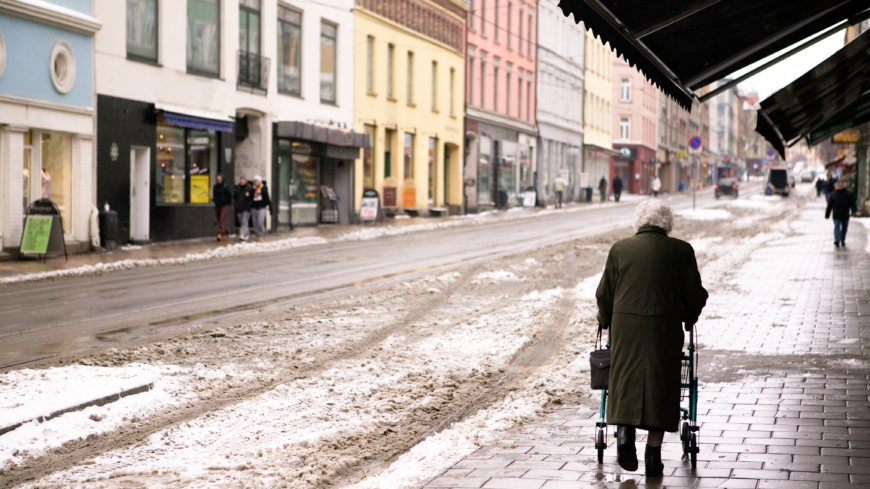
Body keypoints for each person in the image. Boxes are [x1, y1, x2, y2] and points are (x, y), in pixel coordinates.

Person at [595, 199, 708, 477]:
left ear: (639, 222)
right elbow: (695, 295)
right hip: (664, 327)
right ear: (666, 223)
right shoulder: (681, 251)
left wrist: (604, 318)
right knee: (661, 382)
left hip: (626, 327)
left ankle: (624, 437)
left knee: (624, 377)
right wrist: (689, 316)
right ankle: (654, 456)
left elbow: (604, 294)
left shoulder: (620, 249)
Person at [825, 181, 857, 248]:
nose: (839, 186)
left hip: (845, 214)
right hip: (836, 214)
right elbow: (829, 205)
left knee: (844, 228)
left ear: (843, 186)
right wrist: (827, 214)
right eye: (838, 185)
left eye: (841, 185)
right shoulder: (833, 194)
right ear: (836, 186)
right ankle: (837, 240)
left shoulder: (849, 194)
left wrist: (854, 211)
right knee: (837, 226)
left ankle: (842, 239)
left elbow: (853, 203)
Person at [250, 175, 271, 243]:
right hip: (254, 207)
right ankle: (257, 235)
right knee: (255, 222)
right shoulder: (252, 189)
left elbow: (267, 198)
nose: (256, 183)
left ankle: (261, 235)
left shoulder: (263, 188)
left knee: (260, 221)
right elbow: (250, 198)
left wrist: (269, 206)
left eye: (257, 181)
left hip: (261, 207)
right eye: (255, 181)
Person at [212, 174, 233, 241]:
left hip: (225, 204)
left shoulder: (226, 186)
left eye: (220, 179)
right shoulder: (215, 187)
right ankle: (225, 231)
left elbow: (230, 195)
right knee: (220, 219)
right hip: (218, 204)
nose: (219, 180)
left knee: (222, 218)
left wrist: (228, 202)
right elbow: (214, 195)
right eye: (218, 179)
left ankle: (220, 233)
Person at [234, 176, 253, 242]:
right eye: (241, 181)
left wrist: (249, 206)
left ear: (246, 181)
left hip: (246, 208)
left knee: (244, 221)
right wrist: (236, 204)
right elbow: (235, 197)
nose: (242, 182)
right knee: (242, 222)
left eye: (243, 181)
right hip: (239, 208)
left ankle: (242, 234)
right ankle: (246, 233)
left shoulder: (249, 188)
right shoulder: (237, 188)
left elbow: (251, 198)